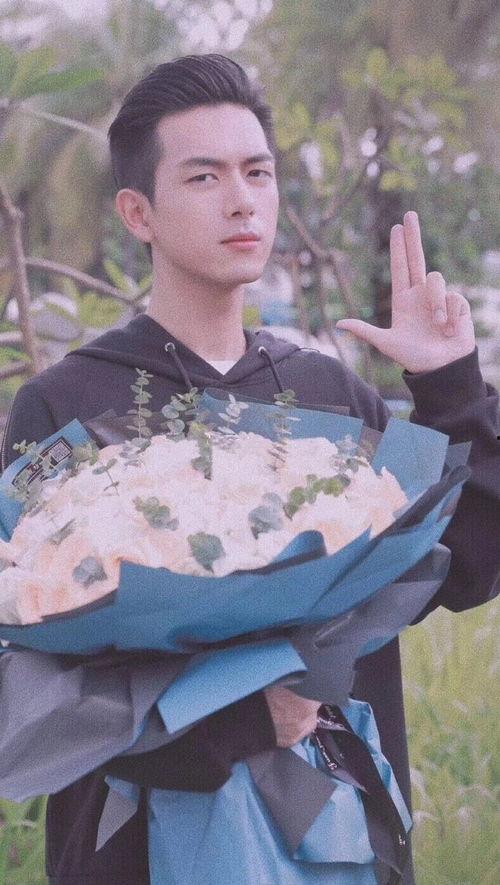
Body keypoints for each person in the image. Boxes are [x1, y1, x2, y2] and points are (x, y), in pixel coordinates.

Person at [1, 54, 498, 885]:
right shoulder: (68, 405)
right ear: (138, 212)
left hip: (341, 839)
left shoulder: (331, 397)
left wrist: (450, 385)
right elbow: (30, 669)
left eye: (257, 172)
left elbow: (468, 567)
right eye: (204, 176)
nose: (242, 199)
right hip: (132, 849)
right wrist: (238, 720)